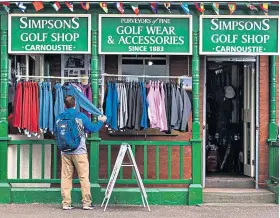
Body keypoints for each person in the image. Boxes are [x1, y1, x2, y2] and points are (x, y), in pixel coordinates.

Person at [56, 95, 106, 210]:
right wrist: (101, 121)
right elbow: (93, 129)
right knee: (83, 177)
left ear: (64, 105)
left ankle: (66, 203)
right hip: (79, 151)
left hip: (65, 151)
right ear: (75, 105)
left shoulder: (59, 117)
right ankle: (86, 203)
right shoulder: (80, 116)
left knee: (66, 177)